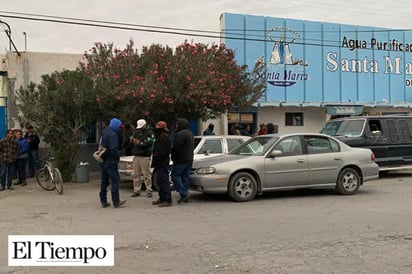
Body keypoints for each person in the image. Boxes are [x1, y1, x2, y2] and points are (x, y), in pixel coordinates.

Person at [99, 118, 126, 208]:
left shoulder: (105, 132)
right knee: (115, 181)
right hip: (111, 161)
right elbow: (113, 149)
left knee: (104, 181)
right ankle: (116, 201)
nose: (120, 129)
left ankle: (103, 201)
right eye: (119, 127)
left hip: (104, 160)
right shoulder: (113, 135)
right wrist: (118, 156)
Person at [171, 118, 194, 204]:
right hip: (189, 159)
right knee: (185, 178)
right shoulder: (189, 133)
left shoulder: (180, 134)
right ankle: (184, 196)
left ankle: (184, 193)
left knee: (175, 176)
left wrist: (172, 153)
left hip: (180, 159)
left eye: (177, 124)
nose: (176, 126)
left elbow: (176, 147)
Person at [131, 119, 155, 198]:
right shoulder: (136, 131)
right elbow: (131, 137)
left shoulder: (149, 132)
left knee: (146, 174)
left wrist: (140, 143)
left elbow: (151, 141)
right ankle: (136, 190)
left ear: (145, 125)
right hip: (136, 155)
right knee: (136, 174)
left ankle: (149, 190)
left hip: (145, 156)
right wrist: (133, 140)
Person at [151, 121, 172, 207]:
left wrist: (156, 155)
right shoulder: (161, 136)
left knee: (163, 181)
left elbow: (162, 151)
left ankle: (167, 199)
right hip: (159, 162)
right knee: (159, 181)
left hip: (162, 162)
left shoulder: (163, 137)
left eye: (157, 126)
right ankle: (162, 198)